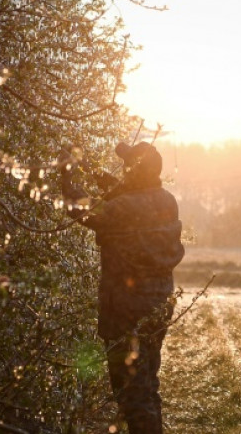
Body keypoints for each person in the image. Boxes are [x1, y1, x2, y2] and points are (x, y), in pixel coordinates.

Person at [60, 142, 185, 434]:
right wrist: (92, 170)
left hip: (128, 310)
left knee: (131, 391)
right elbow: (125, 193)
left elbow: (83, 208)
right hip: (159, 304)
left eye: (127, 166)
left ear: (134, 172)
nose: (123, 171)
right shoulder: (165, 200)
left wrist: (67, 175)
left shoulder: (126, 208)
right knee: (147, 384)